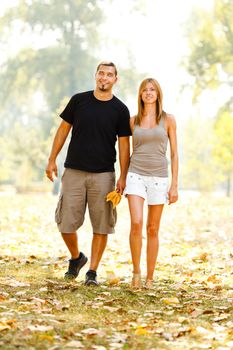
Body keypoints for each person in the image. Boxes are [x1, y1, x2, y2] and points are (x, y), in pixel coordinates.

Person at [45, 61, 131, 286]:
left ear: (115, 79)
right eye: (101, 73)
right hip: (74, 171)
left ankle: (92, 271)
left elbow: (124, 145)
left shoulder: (120, 110)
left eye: (109, 75)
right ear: (95, 75)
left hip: (104, 175)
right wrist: (52, 158)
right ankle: (77, 258)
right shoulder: (79, 100)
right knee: (65, 222)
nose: (104, 78)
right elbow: (63, 129)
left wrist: (123, 176)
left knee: (101, 225)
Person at [124, 78, 178, 289]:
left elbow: (174, 154)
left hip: (159, 177)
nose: (148, 93)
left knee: (152, 228)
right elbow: (126, 152)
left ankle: (149, 278)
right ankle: (136, 273)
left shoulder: (169, 120)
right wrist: (122, 177)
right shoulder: (132, 120)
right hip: (135, 175)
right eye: (145, 90)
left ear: (158, 94)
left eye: (152, 89)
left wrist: (174, 185)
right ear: (140, 94)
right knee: (136, 223)